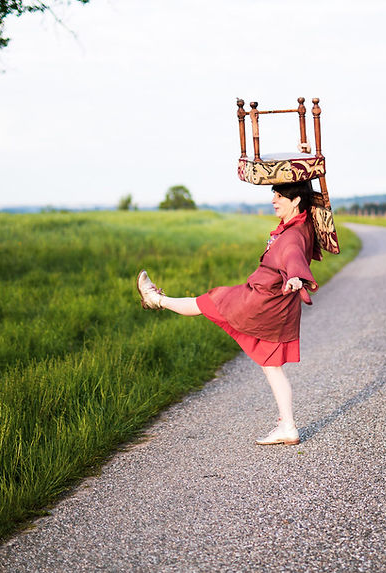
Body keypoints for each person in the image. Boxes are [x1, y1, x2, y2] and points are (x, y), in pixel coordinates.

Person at [136, 180, 322, 446]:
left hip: (260, 301)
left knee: (209, 301)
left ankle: (154, 299)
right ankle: (288, 426)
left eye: (279, 196)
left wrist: (295, 278)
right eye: (274, 195)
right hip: (274, 304)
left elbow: (293, 257)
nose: (274, 200)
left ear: (295, 201)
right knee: (271, 367)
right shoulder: (301, 225)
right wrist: (304, 169)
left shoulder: (292, 236)